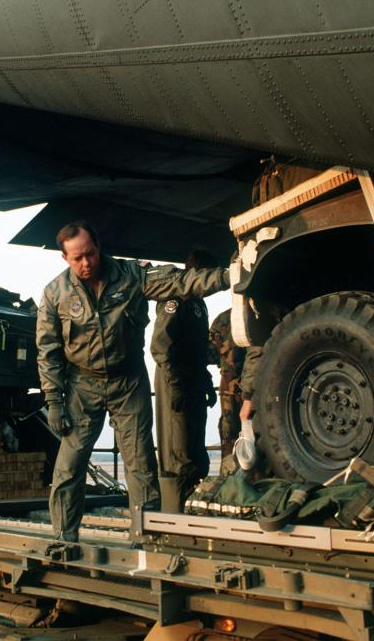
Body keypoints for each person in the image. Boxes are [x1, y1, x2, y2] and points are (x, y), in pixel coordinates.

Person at [36, 221, 231, 541]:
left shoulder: (132, 276)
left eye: (90, 254)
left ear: (99, 248)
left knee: (140, 466)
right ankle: (64, 537)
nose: (86, 263)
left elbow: (183, 282)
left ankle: (145, 540)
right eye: (77, 259)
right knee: (69, 467)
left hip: (128, 383)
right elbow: (48, 351)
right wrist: (53, 401)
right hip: (82, 386)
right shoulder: (55, 293)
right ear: (65, 259)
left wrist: (229, 276)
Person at [151, 248, 219, 512]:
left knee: (195, 447)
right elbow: (160, 346)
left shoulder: (198, 303)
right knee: (178, 449)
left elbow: (198, 348)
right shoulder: (175, 298)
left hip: (192, 379)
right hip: (174, 379)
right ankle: (173, 510)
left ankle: (189, 506)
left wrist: (205, 381)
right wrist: (175, 385)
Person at [208, 308, 246, 460]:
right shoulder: (262, 311)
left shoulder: (222, 319)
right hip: (255, 385)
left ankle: (229, 474)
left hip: (229, 387)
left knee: (229, 433)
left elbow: (210, 355)